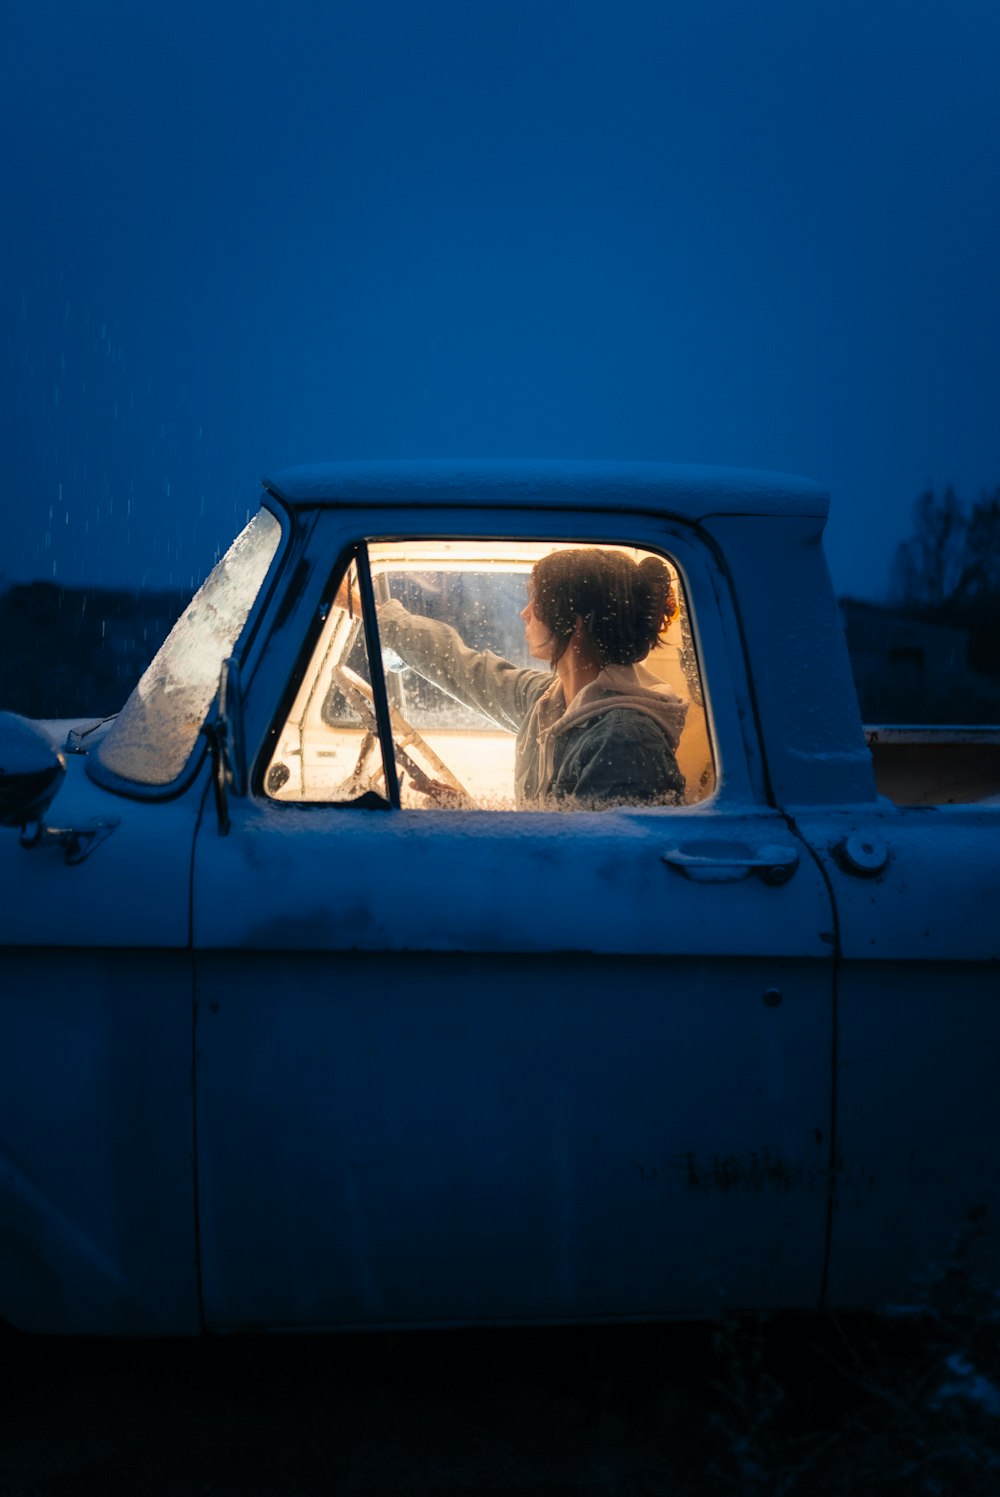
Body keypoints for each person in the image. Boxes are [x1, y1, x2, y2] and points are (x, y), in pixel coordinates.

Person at [368, 547, 688, 809]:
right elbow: (464, 670)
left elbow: (574, 875)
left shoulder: (624, 742)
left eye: (537, 600)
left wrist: (476, 825)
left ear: (576, 623)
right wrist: (467, 812)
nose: (525, 612)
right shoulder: (549, 699)